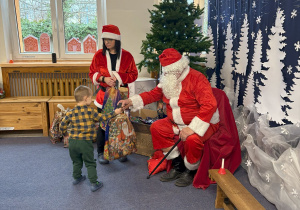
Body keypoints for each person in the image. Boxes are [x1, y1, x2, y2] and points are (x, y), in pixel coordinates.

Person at [120, 48, 220, 187]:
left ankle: (191, 170)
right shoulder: (168, 79)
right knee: (157, 127)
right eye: (166, 71)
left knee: (192, 140)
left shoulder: (196, 78)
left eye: (171, 71)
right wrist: (131, 101)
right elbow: (154, 94)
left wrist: (192, 128)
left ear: (180, 67)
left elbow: (210, 105)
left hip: (202, 121)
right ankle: (178, 165)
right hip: (176, 122)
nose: (168, 74)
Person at [89, 24, 138, 164]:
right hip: (103, 96)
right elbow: (92, 73)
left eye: (110, 39)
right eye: (105, 39)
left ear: (116, 40)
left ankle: (121, 151)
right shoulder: (99, 55)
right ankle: (100, 152)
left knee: (121, 123)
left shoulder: (127, 56)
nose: (107, 42)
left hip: (121, 97)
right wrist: (103, 78)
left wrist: (119, 77)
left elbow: (134, 74)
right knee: (103, 124)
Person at [60, 85, 123, 192]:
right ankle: (94, 183)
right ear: (85, 98)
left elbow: (62, 125)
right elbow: (103, 117)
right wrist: (115, 112)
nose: (92, 99)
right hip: (85, 143)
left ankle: (76, 178)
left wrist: (65, 134)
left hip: (72, 143)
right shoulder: (90, 111)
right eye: (90, 97)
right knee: (90, 163)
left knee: (76, 161)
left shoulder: (70, 112)